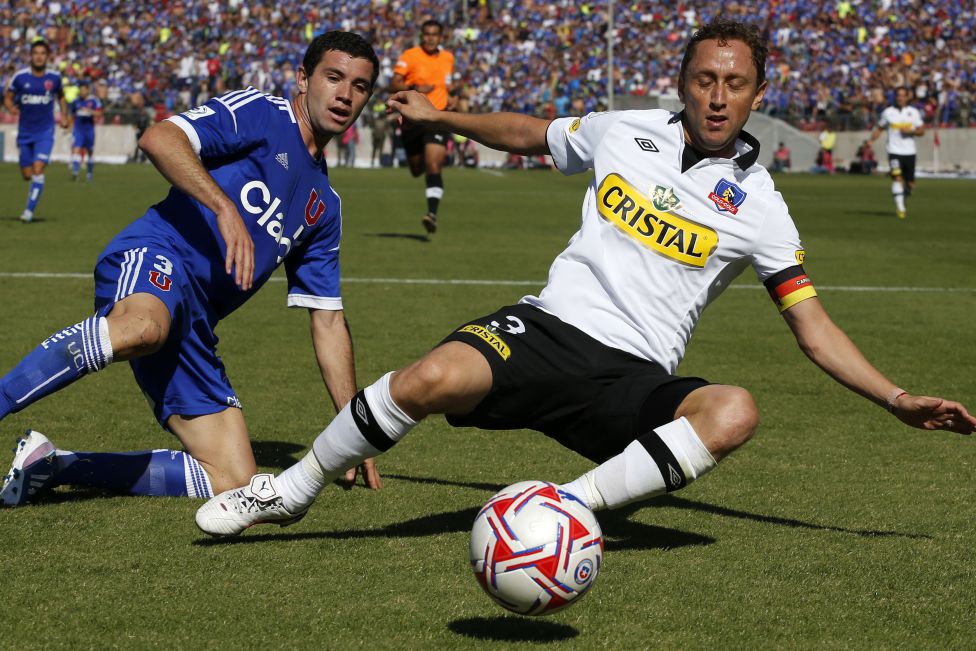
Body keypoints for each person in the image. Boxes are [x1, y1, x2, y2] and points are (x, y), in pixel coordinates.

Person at [194, 20, 975, 537]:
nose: (717, 96)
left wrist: (896, 397)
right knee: (428, 375)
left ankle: (567, 508)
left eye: (734, 85)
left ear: (757, 96)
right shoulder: (622, 129)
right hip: (543, 331)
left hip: (628, 383)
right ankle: (288, 491)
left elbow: (812, 324)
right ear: (682, 80)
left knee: (734, 410)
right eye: (704, 79)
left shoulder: (763, 207)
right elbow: (532, 135)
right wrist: (443, 119)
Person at [0, 31, 383, 508]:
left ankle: (53, 465)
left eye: (361, 86)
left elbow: (326, 319)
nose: (346, 94)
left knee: (232, 477)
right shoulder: (264, 113)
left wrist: (354, 428)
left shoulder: (323, 206)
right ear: (303, 79)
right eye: (334, 77)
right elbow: (160, 137)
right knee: (142, 327)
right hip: (157, 254)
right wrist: (223, 208)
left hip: (195, 325)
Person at [389, 19, 456, 235]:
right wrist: (415, 87)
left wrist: (453, 96)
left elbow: (448, 84)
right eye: (427, 34)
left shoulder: (448, 58)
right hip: (412, 119)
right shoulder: (410, 56)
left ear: (440, 37)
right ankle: (429, 169)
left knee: (433, 164)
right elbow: (394, 83)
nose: (430, 38)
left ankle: (432, 214)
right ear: (421, 35)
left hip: (437, 117)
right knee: (417, 169)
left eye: (434, 34)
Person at [3, 39, 69, 223]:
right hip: (24, 132)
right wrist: (11, 108)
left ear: (47, 57)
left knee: (38, 169)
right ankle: (32, 193)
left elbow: (62, 98)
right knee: (27, 174)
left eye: (42, 53)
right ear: (30, 56)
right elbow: (8, 97)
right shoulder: (20, 77)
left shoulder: (54, 78)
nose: (39, 57)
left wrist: (64, 116)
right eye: (36, 53)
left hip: (45, 132)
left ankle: (28, 212)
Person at [869, 87, 925, 219]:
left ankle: (904, 194)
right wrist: (870, 141)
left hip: (910, 152)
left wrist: (910, 132)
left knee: (910, 184)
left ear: (907, 97)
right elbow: (880, 128)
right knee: (896, 177)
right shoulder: (888, 112)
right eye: (898, 95)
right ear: (895, 97)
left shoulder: (913, 112)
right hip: (894, 150)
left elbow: (922, 131)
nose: (900, 98)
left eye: (903, 96)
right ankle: (901, 208)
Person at [69, 80, 103, 182]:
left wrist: (90, 111)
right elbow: (72, 115)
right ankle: (75, 173)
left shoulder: (94, 101)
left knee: (90, 152)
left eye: (84, 90)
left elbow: (99, 114)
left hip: (89, 130)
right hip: (78, 129)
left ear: (88, 90)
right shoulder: (76, 101)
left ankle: (89, 173)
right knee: (76, 149)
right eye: (81, 90)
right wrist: (69, 127)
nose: (82, 91)